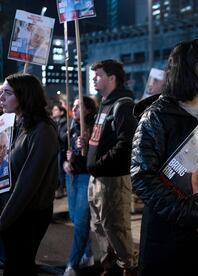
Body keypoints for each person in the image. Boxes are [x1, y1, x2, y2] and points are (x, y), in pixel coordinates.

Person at [131, 39, 198, 276]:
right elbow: (142, 178)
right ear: (190, 67)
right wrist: (192, 217)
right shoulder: (156, 116)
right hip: (166, 242)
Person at [80, 59, 138, 276]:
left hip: (112, 178)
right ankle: (110, 265)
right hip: (97, 177)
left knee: (116, 227)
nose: (93, 79)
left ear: (112, 78)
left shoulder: (123, 105)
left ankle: (128, 267)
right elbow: (103, 139)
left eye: (98, 75)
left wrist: (100, 163)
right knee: (100, 226)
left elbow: (126, 143)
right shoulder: (104, 103)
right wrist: (86, 144)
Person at [0, 73, 58, 275]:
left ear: (24, 96)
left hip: (27, 214)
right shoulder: (15, 125)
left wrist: (2, 221)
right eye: (1, 93)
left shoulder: (42, 131)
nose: (1, 99)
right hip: (11, 210)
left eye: (7, 93)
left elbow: (27, 185)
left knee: (18, 265)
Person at [62, 96, 97, 276]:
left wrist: (87, 145)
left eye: (78, 106)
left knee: (82, 222)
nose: (74, 109)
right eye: (73, 106)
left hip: (86, 176)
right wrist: (65, 162)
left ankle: (72, 264)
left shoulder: (93, 127)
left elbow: (96, 154)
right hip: (71, 177)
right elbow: (62, 151)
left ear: (88, 110)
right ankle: (88, 253)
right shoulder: (69, 126)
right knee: (75, 218)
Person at [52, 104, 68, 199]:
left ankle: (61, 188)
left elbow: (63, 138)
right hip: (54, 150)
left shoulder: (65, 123)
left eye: (56, 109)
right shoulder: (53, 123)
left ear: (62, 112)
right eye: (53, 110)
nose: (53, 111)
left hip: (61, 151)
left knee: (60, 170)